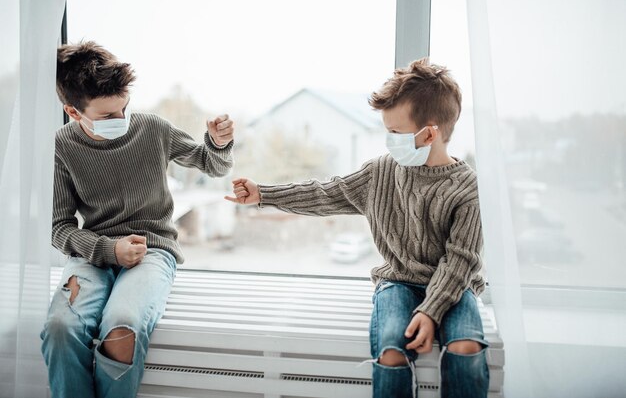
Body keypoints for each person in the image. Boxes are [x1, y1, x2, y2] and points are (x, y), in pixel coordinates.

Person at [225, 58, 489, 398]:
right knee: (391, 351)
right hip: (398, 282)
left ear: (429, 133)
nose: (389, 141)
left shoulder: (468, 188)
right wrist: (264, 194)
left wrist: (431, 310)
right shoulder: (380, 173)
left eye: (395, 132)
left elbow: (460, 261)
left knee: (466, 347)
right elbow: (324, 193)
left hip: (455, 285)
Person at [41, 41, 235, 398]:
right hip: (92, 255)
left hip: (153, 252)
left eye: (125, 108)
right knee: (59, 326)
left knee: (123, 326)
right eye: (107, 116)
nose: (122, 120)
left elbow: (212, 164)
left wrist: (219, 143)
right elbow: (59, 227)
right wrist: (109, 249)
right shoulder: (61, 147)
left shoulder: (153, 129)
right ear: (72, 111)